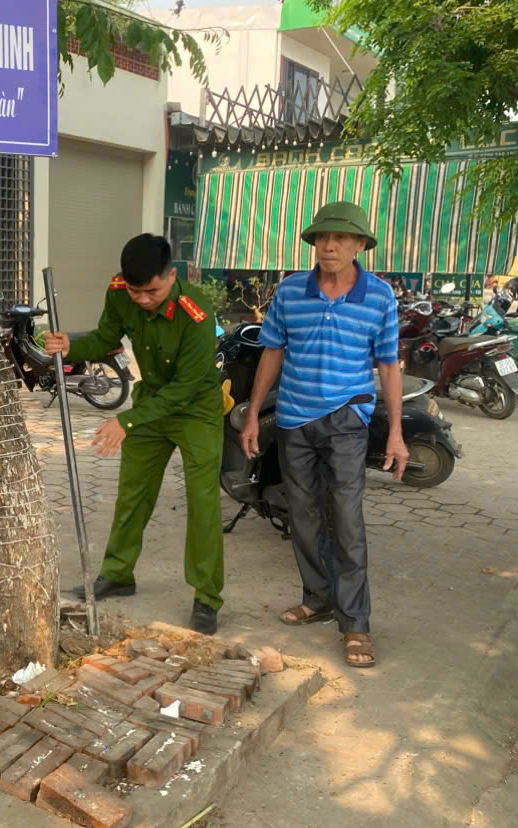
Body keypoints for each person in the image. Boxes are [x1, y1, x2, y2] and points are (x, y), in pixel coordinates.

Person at [238, 201, 407, 669]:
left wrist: (395, 432)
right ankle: (319, 598)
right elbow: (272, 353)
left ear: (359, 245)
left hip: (347, 419)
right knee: (303, 514)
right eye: (320, 238)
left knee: (346, 517)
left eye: (339, 238)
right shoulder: (292, 291)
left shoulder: (379, 297)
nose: (328, 246)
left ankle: (355, 623)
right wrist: (253, 415)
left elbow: (389, 365)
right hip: (294, 419)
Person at [45, 233, 224, 634]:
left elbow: (186, 387)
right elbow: (106, 339)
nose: (142, 299)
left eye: (152, 291)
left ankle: (207, 597)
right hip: (151, 404)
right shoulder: (120, 292)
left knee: (203, 503)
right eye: (135, 291)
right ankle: (118, 574)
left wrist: (125, 421)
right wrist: (68, 347)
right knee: (132, 493)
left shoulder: (197, 313)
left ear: (171, 275)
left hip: (196, 408)